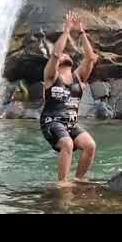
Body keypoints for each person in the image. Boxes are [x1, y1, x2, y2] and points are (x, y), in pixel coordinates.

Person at [40, 11, 99, 187]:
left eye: (68, 54)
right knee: (67, 143)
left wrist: (81, 33)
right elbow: (55, 54)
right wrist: (66, 31)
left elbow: (90, 58)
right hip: (51, 122)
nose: (65, 54)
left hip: (70, 124)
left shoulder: (78, 77)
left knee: (90, 145)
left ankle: (79, 179)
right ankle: (62, 183)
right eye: (63, 55)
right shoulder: (51, 76)